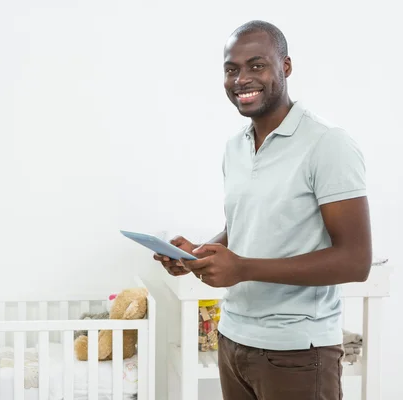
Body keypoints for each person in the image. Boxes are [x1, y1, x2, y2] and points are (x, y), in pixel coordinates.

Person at [154, 20, 372, 400]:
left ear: (285, 67)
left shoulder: (327, 144)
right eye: (231, 69)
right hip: (233, 340)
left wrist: (243, 268)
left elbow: (356, 260)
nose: (242, 79)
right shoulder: (235, 147)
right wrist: (197, 254)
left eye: (257, 65)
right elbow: (243, 227)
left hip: (298, 352)